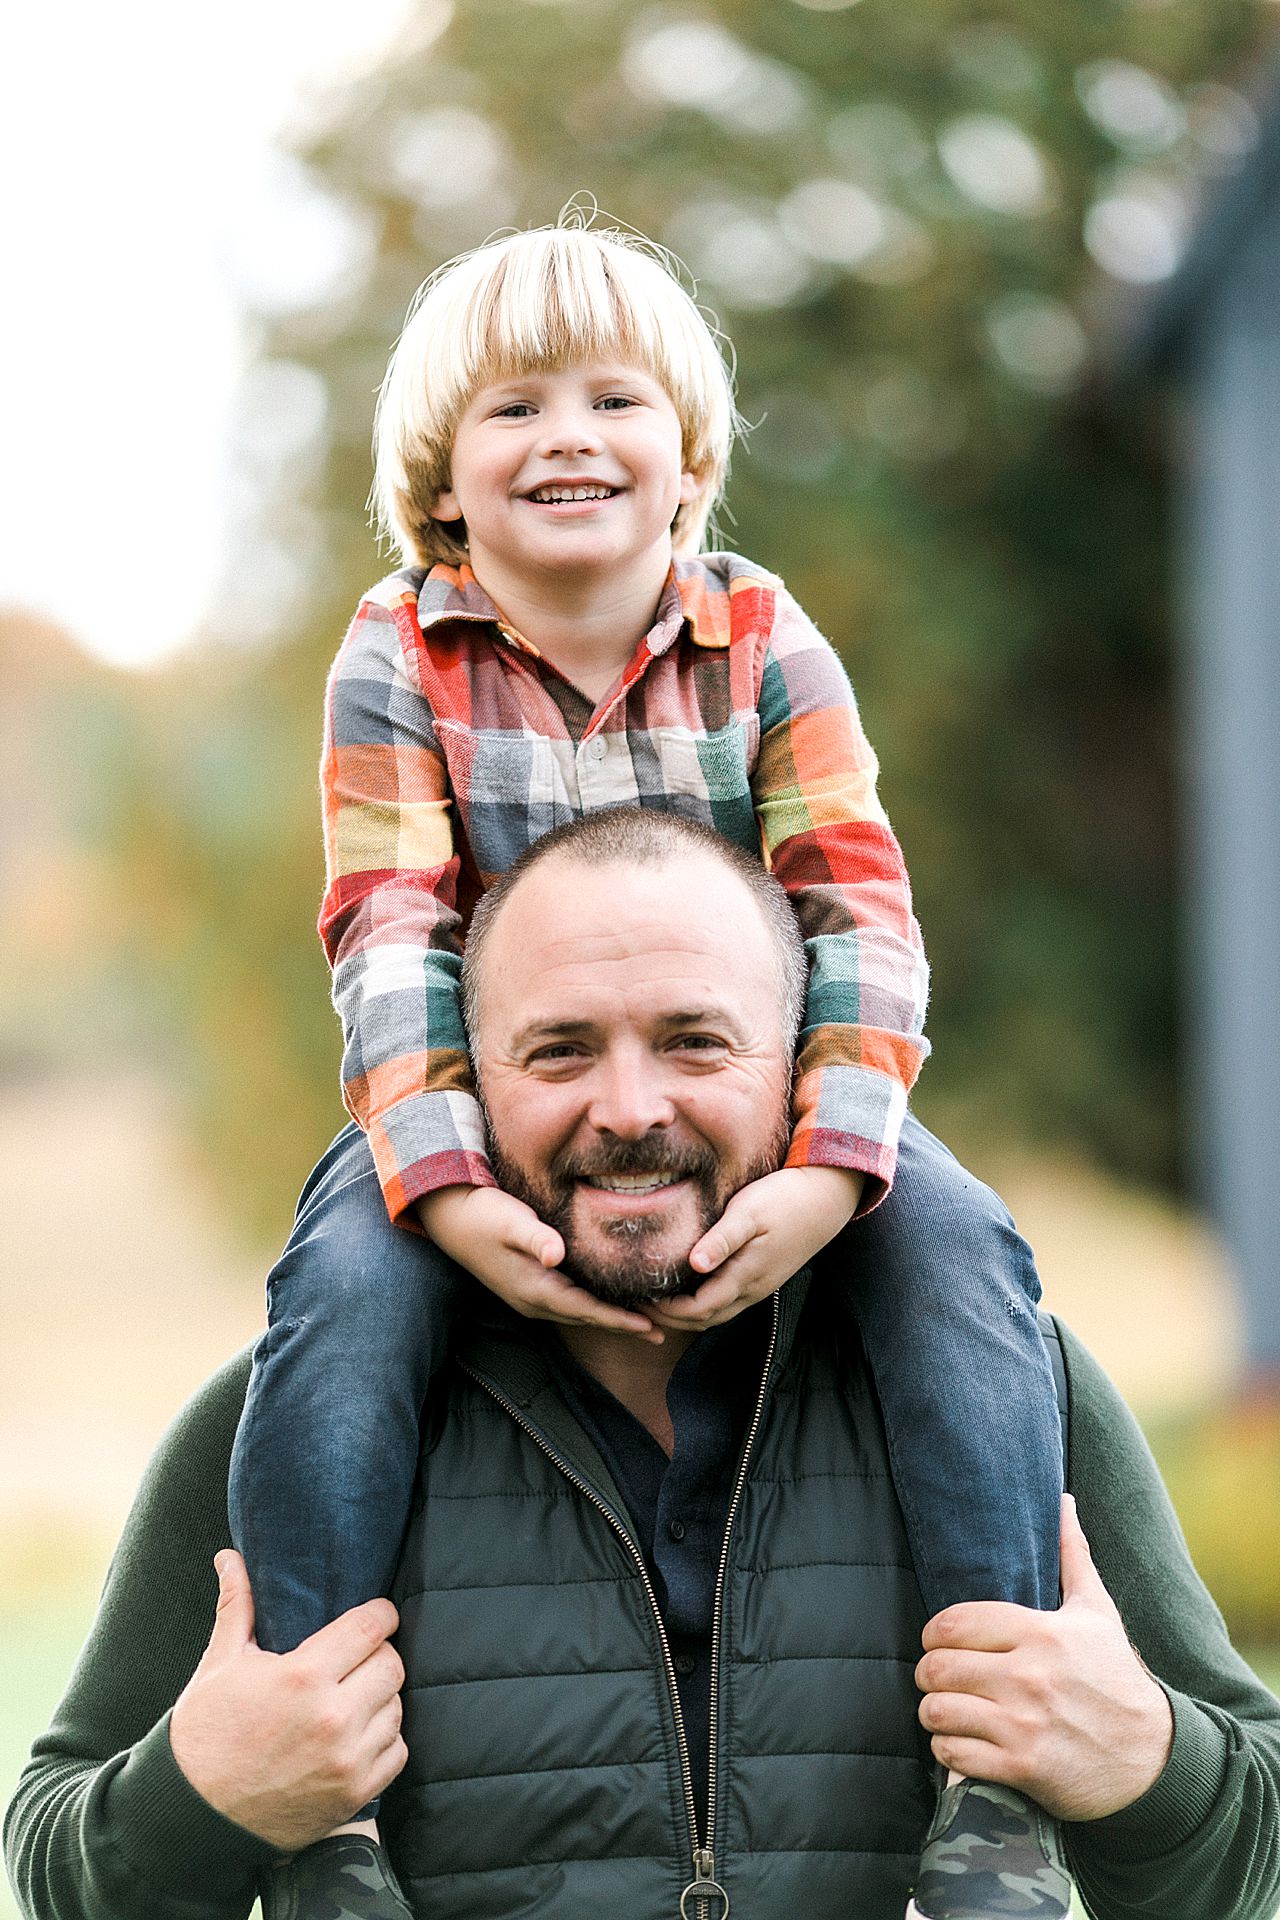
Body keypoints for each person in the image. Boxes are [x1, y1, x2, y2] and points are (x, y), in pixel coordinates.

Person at [226, 211, 1069, 1920]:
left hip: (770, 1111)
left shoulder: (763, 634)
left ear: (684, 460)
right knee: (339, 1307)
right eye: (515, 409)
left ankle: (998, 1789)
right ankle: (319, 1810)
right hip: (477, 1118)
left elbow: (858, 911)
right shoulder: (400, 651)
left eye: (613, 400)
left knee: (966, 1263)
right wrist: (442, 1187)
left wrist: (837, 1165)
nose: (568, 439)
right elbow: (388, 928)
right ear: (442, 481)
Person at [6, 812, 1280, 1920]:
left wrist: (1140, 1759)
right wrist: (206, 1794)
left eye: (693, 1043)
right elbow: (59, 1862)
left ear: (802, 1071)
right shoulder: (288, 1415)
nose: (626, 1107)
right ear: (461, 1086)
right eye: (559, 1050)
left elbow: (1241, 1861)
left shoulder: (1006, 1389)